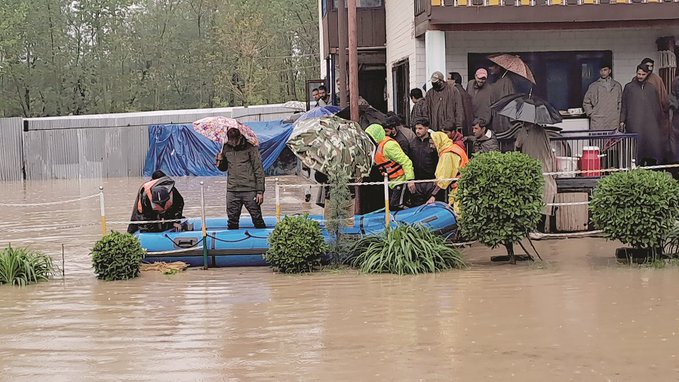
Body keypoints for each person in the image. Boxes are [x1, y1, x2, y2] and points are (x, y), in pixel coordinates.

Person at [216, 128, 267, 229]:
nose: (233, 143)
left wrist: (260, 192)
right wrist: (219, 160)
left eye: (235, 140)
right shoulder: (226, 147)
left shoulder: (251, 148)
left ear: (240, 137)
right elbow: (223, 168)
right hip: (232, 190)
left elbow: (259, 170)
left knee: (257, 218)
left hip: (249, 189)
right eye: (231, 141)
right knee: (232, 221)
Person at [620, 64, 664, 165]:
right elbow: (624, 105)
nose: (640, 76)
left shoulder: (652, 88)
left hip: (650, 125)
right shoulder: (629, 87)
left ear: (647, 74)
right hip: (634, 123)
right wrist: (622, 120)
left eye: (643, 74)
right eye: (638, 74)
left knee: (651, 149)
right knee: (636, 149)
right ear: (636, 73)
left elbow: (657, 107)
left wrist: (658, 122)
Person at [365, 123, 415, 210]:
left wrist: (410, 180)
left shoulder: (389, 145)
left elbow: (406, 161)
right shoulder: (375, 147)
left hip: (401, 179)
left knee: (396, 204)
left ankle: (412, 217)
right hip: (391, 181)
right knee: (391, 204)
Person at [515, 122, 557, 221]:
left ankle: (535, 228)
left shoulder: (524, 131)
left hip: (532, 168)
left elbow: (518, 145)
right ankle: (543, 228)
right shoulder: (542, 131)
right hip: (546, 166)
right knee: (547, 195)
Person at [428, 132, 469, 212]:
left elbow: (444, 179)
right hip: (461, 184)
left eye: (433, 144)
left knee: (458, 213)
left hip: (458, 188)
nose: (431, 146)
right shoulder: (452, 148)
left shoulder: (448, 155)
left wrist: (433, 196)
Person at [582, 62, 623, 130]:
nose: (603, 72)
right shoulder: (594, 86)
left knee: (613, 140)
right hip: (598, 120)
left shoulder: (617, 86)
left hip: (613, 120)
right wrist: (591, 114)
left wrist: (618, 116)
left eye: (605, 70)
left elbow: (620, 102)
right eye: (601, 70)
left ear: (609, 71)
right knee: (599, 139)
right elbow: (586, 102)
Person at [489, 62, 518, 151]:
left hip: (505, 119)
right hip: (498, 118)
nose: (490, 68)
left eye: (492, 66)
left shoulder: (507, 82)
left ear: (498, 67)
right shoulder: (499, 81)